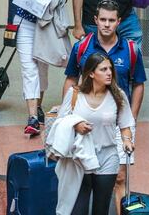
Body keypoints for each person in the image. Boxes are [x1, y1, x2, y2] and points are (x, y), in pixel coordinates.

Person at [61, 0, 147, 215]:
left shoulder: (130, 49)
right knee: (82, 181)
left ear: (119, 22)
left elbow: (138, 84)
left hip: (117, 120)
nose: (107, 25)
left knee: (120, 177)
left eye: (111, 20)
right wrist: (69, 116)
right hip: (85, 120)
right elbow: (71, 79)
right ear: (95, 20)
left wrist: (131, 121)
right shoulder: (82, 47)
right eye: (103, 20)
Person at [57, 52, 135, 215]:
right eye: (103, 69)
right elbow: (60, 121)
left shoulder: (118, 95)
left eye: (110, 69)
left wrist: (127, 140)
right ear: (91, 73)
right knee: (79, 209)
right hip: (80, 157)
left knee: (101, 208)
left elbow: (125, 124)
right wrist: (76, 124)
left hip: (107, 157)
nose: (109, 73)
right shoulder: (74, 94)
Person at [7, 0, 68, 136]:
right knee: (28, 69)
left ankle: (38, 105)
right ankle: (32, 117)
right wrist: (10, 26)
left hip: (45, 25)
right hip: (24, 23)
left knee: (42, 67)